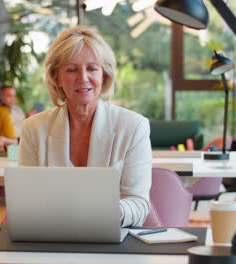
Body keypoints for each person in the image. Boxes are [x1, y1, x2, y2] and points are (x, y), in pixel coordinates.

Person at [18, 25, 152, 227]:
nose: (83, 78)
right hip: (52, 238)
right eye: (72, 69)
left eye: (92, 68)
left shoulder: (134, 127)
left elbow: (139, 204)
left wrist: (112, 211)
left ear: (104, 75)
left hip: (110, 239)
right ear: (56, 78)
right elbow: (25, 200)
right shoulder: (33, 128)